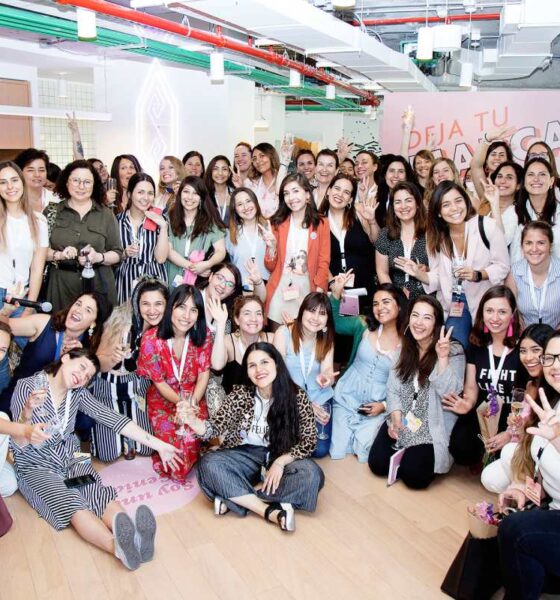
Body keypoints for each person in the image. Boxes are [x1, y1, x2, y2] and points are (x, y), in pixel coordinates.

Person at [10, 348, 181, 570]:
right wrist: (27, 413)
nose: (82, 376)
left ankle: (136, 538)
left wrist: (160, 445)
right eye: (81, 367)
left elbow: (114, 419)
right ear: (65, 358)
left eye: (88, 375)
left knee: (95, 490)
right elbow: (19, 442)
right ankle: (117, 547)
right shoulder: (27, 386)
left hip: (72, 454)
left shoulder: (78, 394)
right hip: (34, 463)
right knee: (72, 501)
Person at [189, 341, 324, 532]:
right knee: (208, 463)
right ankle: (268, 510)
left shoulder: (296, 396)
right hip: (245, 453)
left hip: (280, 454)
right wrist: (192, 421)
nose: (259, 370)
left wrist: (280, 463)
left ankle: (236, 498)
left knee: (312, 475)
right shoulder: (240, 393)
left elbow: (309, 441)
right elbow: (215, 427)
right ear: (247, 371)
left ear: (276, 364)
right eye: (252, 365)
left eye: (264, 362)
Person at [397, 181, 510, 349]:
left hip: (485, 299)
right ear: (438, 212)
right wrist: (418, 274)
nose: (454, 208)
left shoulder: (486, 225)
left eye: (458, 201)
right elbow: (438, 277)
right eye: (446, 205)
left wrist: (477, 274)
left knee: (486, 348)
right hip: (455, 301)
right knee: (454, 346)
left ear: (466, 201)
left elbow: (502, 266)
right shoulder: (435, 236)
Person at [369, 295, 465, 489]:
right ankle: (406, 451)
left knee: (414, 477)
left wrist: (443, 359)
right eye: (415, 315)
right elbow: (392, 389)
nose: (419, 323)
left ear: (437, 323)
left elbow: (451, 393)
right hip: (404, 419)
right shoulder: (404, 348)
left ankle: (413, 456)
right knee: (377, 465)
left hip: (430, 427)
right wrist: (396, 418)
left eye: (427, 318)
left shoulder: (452, 350)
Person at [498, 333, 560, 599]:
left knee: (514, 530)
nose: (555, 365)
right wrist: (524, 489)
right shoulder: (551, 402)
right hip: (554, 508)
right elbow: (543, 462)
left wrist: (557, 438)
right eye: (550, 358)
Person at [136, 284, 212, 482]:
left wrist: (191, 404)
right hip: (163, 399)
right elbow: (159, 383)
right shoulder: (150, 339)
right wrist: (181, 403)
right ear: (171, 307)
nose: (187, 316)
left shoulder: (203, 336)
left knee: (189, 439)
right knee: (173, 455)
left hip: (194, 397)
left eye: (193, 310)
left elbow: (203, 375)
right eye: (181, 307)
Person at [329, 274, 406, 462]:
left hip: (376, 407)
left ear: (399, 305)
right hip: (347, 396)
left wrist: (384, 406)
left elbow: (406, 385)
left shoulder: (408, 343)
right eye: (375, 303)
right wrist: (336, 295)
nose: (380, 308)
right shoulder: (363, 324)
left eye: (386, 302)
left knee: (364, 453)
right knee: (337, 450)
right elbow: (336, 323)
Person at [444, 286, 522, 467]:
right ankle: (482, 455)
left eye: (502, 312)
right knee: (460, 447)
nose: (495, 318)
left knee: (505, 456)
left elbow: (528, 395)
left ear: (512, 314)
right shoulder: (476, 344)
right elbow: (471, 386)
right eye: (489, 311)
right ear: (482, 312)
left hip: (512, 415)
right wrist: (468, 403)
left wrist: (511, 431)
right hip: (484, 410)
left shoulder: (522, 348)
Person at [0, 292, 112, 415]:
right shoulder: (43, 323)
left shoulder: (87, 349)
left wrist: (78, 357)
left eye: (88, 310)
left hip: (52, 411)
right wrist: (5, 312)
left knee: (86, 421)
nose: (78, 310)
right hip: (16, 396)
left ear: (93, 323)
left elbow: (84, 386)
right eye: (78, 304)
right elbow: (3, 328)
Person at [481, 323, 554, 493]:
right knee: (489, 478)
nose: (528, 357)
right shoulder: (526, 383)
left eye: (536, 350)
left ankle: (538, 491)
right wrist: (510, 432)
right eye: (523, 351)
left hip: (545, 454)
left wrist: (521, 432)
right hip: (522, 448)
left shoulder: (554, 386)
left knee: (509, 452)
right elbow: (521, 426)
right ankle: (525, 489)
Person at [46, 160, 123, 312]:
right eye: (76, 180)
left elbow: (118, 253)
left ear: (94, 185)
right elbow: (40, 252)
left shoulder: (106, 214)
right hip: (61, 286)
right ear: (66, 182)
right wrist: (59, 255)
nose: (81, 186)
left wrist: (98, 257)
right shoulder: (51, 212)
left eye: (87, 182)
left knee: (97, 326)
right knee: (59, 325)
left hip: (98, 285)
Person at [263, 174, 330, 328]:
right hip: (280, 288)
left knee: (305, 337)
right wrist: (272, 247)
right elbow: (270, 267)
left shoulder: (321, 223)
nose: (291, 197)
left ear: (307, 194)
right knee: (278, 338)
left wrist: (318, 294)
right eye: (286, 193)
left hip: (308, 289)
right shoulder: (277, 223)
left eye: (295, 191)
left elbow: (324, 261)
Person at [273, 292, 336, 458]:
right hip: (290, 397)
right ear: (302, 311)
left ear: (327, 319)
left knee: (319, 450)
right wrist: (305, 406)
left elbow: (328, 371)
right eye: (312, 311)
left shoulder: (326, 339)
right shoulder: (283, 333)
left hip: (319, 398)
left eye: (322, 313)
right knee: (285, 443)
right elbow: (278, 376)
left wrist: (327, 378)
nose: (316, 318)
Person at [319, 174, 377, 309]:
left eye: (346, 192)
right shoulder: (318, 221)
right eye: (337, 188)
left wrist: (372, 220)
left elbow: (375, 240)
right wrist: (333, 283)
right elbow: (319, 259)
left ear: (350, 199)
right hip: (336, 289)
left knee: (363, 322)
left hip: (364, 286)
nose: (340, 194)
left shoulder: (359, 212)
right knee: (340, 322)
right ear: (329, 191)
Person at [0, 161, 48, 311]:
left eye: (14, 180)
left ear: (22, 182)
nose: (10, 187)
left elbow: (37, 269)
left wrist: (29, 307)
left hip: (22, 296)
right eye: (3, 182)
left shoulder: (39, 221)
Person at [115, 173, 168, 303]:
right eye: (140, 192)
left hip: (154, 280)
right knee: (127, 314)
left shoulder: (160, 220)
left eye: (150, 193)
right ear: (129, 194)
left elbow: (161, 258)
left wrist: (163, 226)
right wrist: (124, 253)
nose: (146, 198)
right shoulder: (117, 221)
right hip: (126, 280)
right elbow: (110, 255)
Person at [166, 176, 226, 288]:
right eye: (186, 191)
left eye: (195, 193)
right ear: (180, 194)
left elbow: (221, 251)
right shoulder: (169, 218)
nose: (190, 197)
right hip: (170, 274)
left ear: (201, 197)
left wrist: (206, 264)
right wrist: (193, 267)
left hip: (197, 282)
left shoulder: (210, 222)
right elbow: (168, 251)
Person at [209, 295, 273, 394]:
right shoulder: (229, 341)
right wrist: (221, 323)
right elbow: (217, 365)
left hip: (266, 400)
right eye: (247, 313)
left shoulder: (272, 339)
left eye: (258, 313)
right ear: (237, 319)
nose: (253, 319)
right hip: (235, 401)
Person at [376, 181, 429, 301]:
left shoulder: (430, 232)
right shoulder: (385, 234)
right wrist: (395, 297)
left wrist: (426, 270)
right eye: (398, 202)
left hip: (427, 298)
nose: (403, 206)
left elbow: (440, 270)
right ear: (393, 207)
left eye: (408, 200)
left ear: (417, 204)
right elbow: (382, 272)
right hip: (396, 299)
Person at [506, 221, 560, 329]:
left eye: (541, 243)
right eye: (529, 243)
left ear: (550, 246)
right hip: (525, 335)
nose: (534, 249)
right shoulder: (514, 272)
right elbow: (510, 310)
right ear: (522, 246)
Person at [510, 157, 560, 264]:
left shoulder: (558, 212)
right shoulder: (513, 212)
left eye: (542, 174)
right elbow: (499, 242)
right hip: (519, 273)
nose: (536, 179)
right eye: (531, 174)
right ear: (524, 181)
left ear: (551, 181)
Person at [226, 187, 270, 294]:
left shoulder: (269, 228)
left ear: (255, 202)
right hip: (240, 289)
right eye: (240, 204)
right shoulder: (229, 234)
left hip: (267, 286)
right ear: (235, 209)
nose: (246, 207)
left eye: (248, 201)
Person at [478, 161, 522, 246]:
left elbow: (501, 243)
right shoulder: (485, 207)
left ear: (518, 185)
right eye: (499, 176)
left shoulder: (517, 212)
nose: (502, 181)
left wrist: (494, 204)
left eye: (509, 177)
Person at [245, 141, 290, 218]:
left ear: (271, 156)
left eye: (262, 156)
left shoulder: (285, 179)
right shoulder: (251, 184)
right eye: (254, 159)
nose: (258, 161)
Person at [469, 126, 514, 201]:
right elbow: (475, 165)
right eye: (493, 154)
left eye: (501, 155)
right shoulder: (484, 185)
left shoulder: (515, 180)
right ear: (486, 160)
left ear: (508, 160)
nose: (497, 158)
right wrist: (487, 139)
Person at [373, 155, 417, 230]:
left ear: (406, 176)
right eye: (391, 171)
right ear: (385, 175)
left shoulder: (415, 197)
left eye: (401, 171)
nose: (396, 175)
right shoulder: (378, 199)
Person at [204, 155, 234, 225]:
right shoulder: (204, 194)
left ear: (229, 173)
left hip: (233, 231)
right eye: (215, 169)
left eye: (224, 169)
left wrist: (240, 188)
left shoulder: (235, 194)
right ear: (210, 172)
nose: (220, 173)